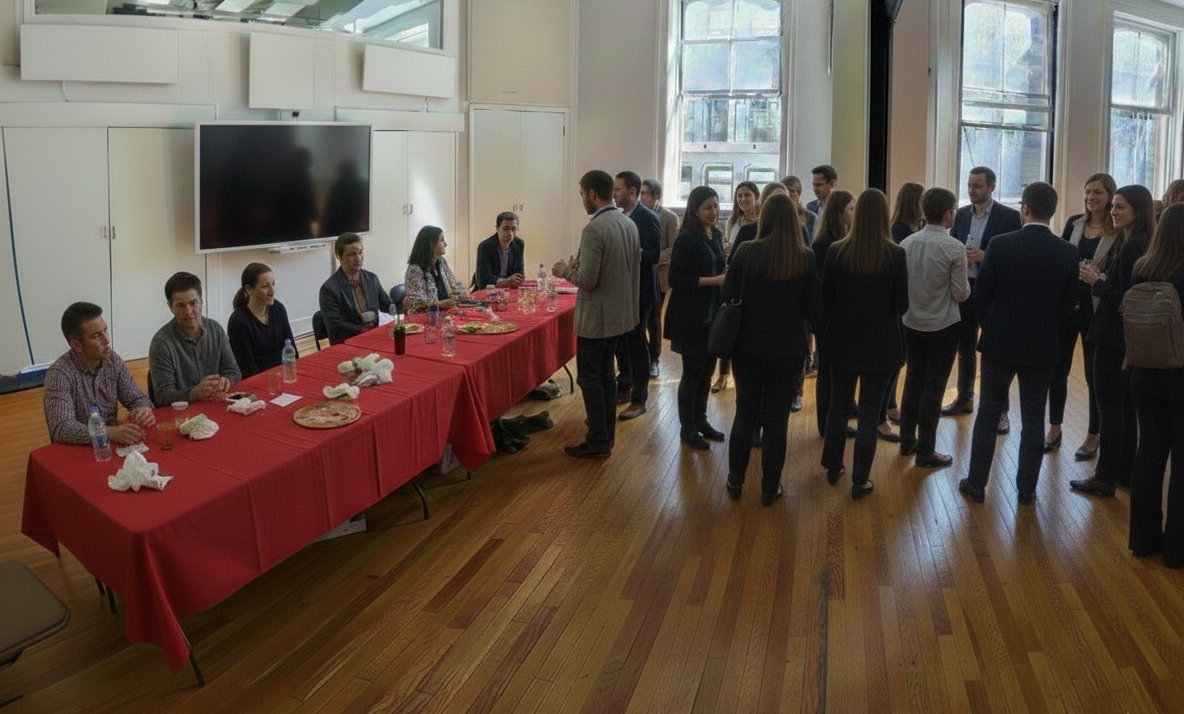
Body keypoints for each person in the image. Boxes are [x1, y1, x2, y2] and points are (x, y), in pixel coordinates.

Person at [958, 182, 1078, 505]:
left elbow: (980, 296)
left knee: (988, 414)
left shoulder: (1000, 244)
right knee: (1034, 419)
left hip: (999, 343)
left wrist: (992, 325)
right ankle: (1026, 491)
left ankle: (977, 484)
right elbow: (1067, 309)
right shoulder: (1068, 252)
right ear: (1052, 213)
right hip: (1042, 346)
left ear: (1025, 208)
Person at [723, 194, 822, 505]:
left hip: (747, 346)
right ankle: (769, 487)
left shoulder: (746, 252)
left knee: (745, 414)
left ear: (763, 219)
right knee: (778, 420)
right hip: (788, 349)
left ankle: (736, 480)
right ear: (795, 222)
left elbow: (728, 296)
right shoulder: (804, 257)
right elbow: (813, 310)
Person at [817, 189, 908, 500]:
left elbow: (826, 299)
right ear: (884, 217)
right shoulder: (895, 255)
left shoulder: (837, 252)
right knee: (870, 411)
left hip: (841, 340)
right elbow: (901, 306)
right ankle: (860, 480)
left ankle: (832, 465)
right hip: (880, 344)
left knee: (839, 405)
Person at [1070, 184, 1156, 498]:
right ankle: (1123, 472)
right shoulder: (1139, 241)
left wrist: (1096, 282)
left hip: (1111, 337)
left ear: (1137, 210)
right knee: (1124, 407)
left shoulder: (1134, 245)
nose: (1113, 212)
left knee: (1111, 408)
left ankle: (1105, 476)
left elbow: (1125, 300)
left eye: (1120, 207)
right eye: (1114, 206)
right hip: (1122, 339)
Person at [551, 170, 640, 458]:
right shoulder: (627, 223)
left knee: (590, 377)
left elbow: (587, 280)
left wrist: (566, 271)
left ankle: (598, 439)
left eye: (581, 195)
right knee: (606, 375)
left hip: (597, 319)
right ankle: (606, 434)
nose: (582, 201)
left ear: (591, 194)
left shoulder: (594, 229)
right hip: (620, 314)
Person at [942, 166, 1023, 435]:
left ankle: (1000, 411)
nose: (971, 190)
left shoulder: (1009, 217)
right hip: (965, 289)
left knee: (995, 353)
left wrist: (984, 255)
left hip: (993, 293)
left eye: (977, 186)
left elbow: (1013, 259)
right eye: (969, 185)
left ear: (992, 187)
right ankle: (964, 398)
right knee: (964, 349)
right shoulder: (961, 214)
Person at [1127, 202, 1184, 568]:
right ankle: (1177, 550)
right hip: (1181, 374)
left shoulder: (1142, 268)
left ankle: (1143, 540)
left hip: (1144, 371)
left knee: (1149, 454)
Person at [898, 187, 969, 467]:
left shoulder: (907, 243)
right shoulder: (954, 247)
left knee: (913, 379)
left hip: (912, 322)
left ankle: (906, 440)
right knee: (934, 386)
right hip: (943, 325)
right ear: (949, 213)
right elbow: (961, 294)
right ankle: (926, 450)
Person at [1047, 173, 1115, 460]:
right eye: (1088, 191)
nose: (1091, 197)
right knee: (1057, 368)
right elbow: (1062, 255)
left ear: (1110, 196)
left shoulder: (1117, 232)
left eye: (1097, 192)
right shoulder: (1074, 222)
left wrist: (1097, 276)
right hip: (1068, 305)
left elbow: (1117, 273)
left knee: (1092, 374)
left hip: (1096, 309)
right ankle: (1055, 426)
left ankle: (1093, 434)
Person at [666, 186, 728, 450]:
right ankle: (687, 429)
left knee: (707, 371)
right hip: (691, 316)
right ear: (695, 210)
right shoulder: (687, 238)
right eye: (708, 208)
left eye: (716, 206)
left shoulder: (715, 235)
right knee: (692, 373)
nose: (714, 212)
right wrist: (715, 280)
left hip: (712, 314)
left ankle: (701, 421)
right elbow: (676, 280)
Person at [44, 302, 155, 445]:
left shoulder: (112, 360)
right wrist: (108, 432)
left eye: (105, 330)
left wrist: (143, 410)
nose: (107, 340)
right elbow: (62, 428)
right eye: (96, 336)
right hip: (78, 450)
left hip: (111, 445)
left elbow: (136, 398)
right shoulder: (59, 374)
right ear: (77, 345)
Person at [149, 271, 241, 407]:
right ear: (170, 307)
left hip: (213, 406)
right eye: (180, 306)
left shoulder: (216, 330)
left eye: (193, 303)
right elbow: (163, 396)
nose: (188, 311)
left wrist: (226, 380)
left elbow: (234, 371)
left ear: (201, 301)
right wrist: (193, 393)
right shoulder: (161, 343)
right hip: (181, 413)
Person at [612, 171, 661, 421]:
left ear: (632, 191)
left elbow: (654, 255)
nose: (614, 194)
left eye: (618, 189)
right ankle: (624, 385)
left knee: (637, 344)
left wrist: (629, 252)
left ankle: (639, 398)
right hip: (622, 291)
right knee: (621, 342)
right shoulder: (619, 218)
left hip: (641, 292)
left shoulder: (648, 217)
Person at [810, 189, 856, 438]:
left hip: (838, 318)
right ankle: (826, 425)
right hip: (829, 319)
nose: (854, 213)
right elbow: (823, 287)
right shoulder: (825, 243)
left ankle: (835, 421)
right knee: (827, 373)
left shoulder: (840, 240)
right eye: (850, 209)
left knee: (835, 372)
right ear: (839, 213)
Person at [713, 180, 760, 393]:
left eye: (747, 195)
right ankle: (722, 375)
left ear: (756, 197)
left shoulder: (761, 222)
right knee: (728, 324)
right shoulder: (732, 221)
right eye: (739, 195)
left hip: (754, 280)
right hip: (735, 276)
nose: (742, 199)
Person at [318, 232, 393, 345]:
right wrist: (363, 331)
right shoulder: (329, 289)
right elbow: (335, 326)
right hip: (347, 344)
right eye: (352, 254)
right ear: (339, 256)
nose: (358, 258)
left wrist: (406, 307)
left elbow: (388, 305)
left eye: (360, 252)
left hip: (374, 340)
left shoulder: (372, 279)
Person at [227, 262, 296, 378]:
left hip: (283, 375)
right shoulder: (238, 321)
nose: (272, 291)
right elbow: (248, 369)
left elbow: (292, 351)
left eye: (273, 284)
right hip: (259, 381)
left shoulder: (278, 309)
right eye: (265, 286)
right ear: (249, 289)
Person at [641, 178, 679, 377]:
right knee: (639, 320)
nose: (642, 197)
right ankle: (644, 356)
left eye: (646, 193)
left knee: (654, 319)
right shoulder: (636, 215)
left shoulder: (669, 217)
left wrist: (652, 259)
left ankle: (654, 359)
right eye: (641, 193)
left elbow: (673, 248)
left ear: (656, 197)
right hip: (640, 276)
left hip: (660, 277)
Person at [404, 226, 470, 315]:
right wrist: (440, 304)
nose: (445, 244)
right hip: (425, 318)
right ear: (431, 244)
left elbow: (454, 284)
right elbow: (414, 302)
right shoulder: (415, 270)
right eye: (442, 240)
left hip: (446, 314)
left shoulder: (441, 261)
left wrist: (465, 295)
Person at [474, 211, 526, 290]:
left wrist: (516, 279)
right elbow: (483, 279)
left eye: (513, 229)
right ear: (498, 228)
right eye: (506, 229)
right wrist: (506, 281)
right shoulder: (485, 246)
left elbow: (520, 273)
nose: (510, 233)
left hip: (509, 289)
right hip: (489, 290)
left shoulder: (519, 244)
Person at [780, 175, 817, 240]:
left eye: (792, 191)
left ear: (798, 193)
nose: (788, 194)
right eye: (786, 191)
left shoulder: (810, 217)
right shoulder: (776, 215)